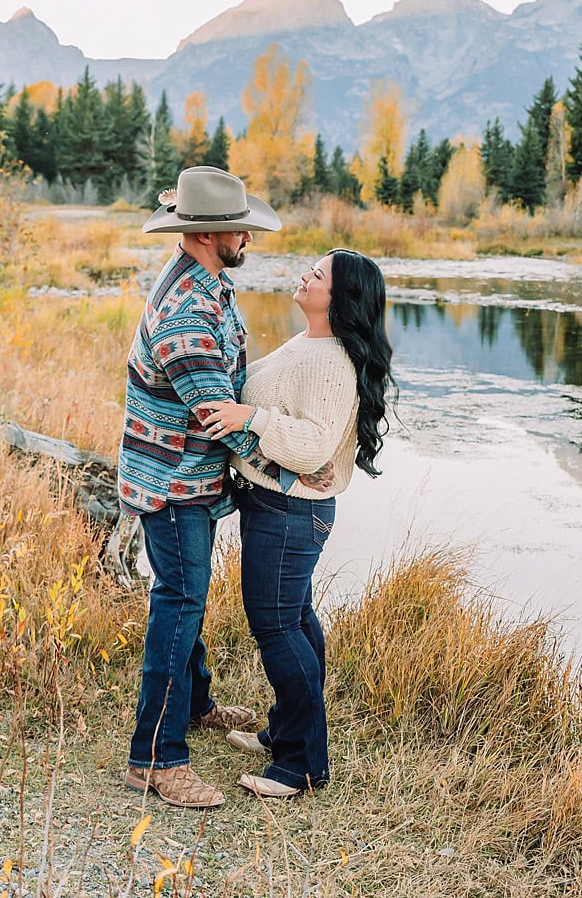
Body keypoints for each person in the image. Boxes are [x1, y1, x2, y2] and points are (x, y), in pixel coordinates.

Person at [197, 249, 394, 797]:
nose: (306, 274)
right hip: (279, 509)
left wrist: (249, 418)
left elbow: (313, 444)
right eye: (311, 267)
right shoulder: (308, 343)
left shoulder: (330, 362)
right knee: (296, 621)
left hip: (291, 514)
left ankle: (301, 766)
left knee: (278, 627)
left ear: (341, 298)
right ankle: (285, 733)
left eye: (319, 274)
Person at [119, 166, 282, 809]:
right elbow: (219, 414)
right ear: (213, 233)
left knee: (185, 597)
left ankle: (195, 705)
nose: (249, 237)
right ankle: (155, 760)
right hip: (174, 481)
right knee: (180, 601)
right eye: (241, 228)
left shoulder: (204, 280)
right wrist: (288, 471)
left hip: (182, 473)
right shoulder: (188, 311)